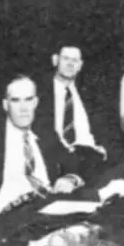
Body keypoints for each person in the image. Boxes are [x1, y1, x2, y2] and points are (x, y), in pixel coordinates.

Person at [0, 75, 88, 215]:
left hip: (48, 211)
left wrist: (69, 178)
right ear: (5, 105)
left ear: (35, 102)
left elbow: (73, 163)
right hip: (7, 216)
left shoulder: (45, 133)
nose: (23, 108)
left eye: (28, 100)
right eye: (15, 100)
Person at [38, 42, 108, 176]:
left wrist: (104, 150)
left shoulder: (89, 94)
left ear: (80, 65)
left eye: (75, 60)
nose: (70, 64)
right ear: (55, 60)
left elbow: (104, 130)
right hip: (59, 158)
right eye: (65, 59)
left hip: (91, 157)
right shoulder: (41, 93)